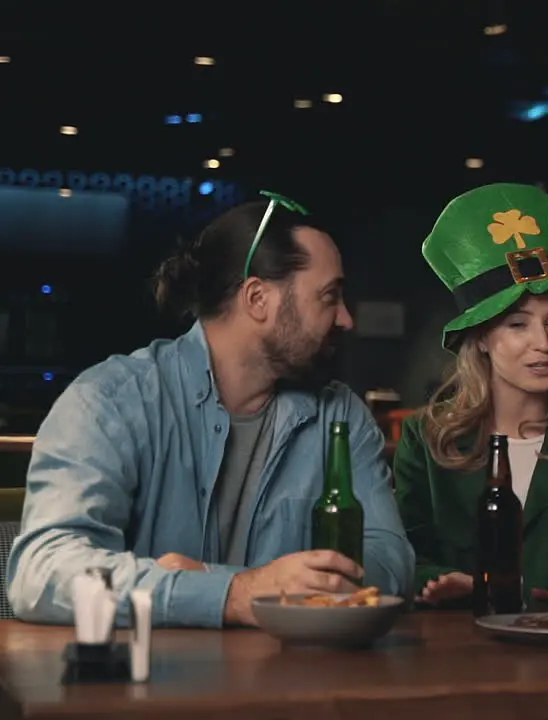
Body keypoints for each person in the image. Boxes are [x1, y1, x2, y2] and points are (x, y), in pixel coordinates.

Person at [6, 192, 414, 628]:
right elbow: (42, 571)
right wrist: (238, 593)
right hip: (148, 688)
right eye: (329, 297)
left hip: (295, 684)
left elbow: (391, 562)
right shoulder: (109, 402)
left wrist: (217, 583)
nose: (347, 319)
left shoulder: (342, 417)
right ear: (258, 299)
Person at [395, 183, 548, 608]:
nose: (543, 344)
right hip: (455, 655)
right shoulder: (425, 439)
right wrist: (438, 582)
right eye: (518, 324)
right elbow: (400, 553)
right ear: (482, 339)